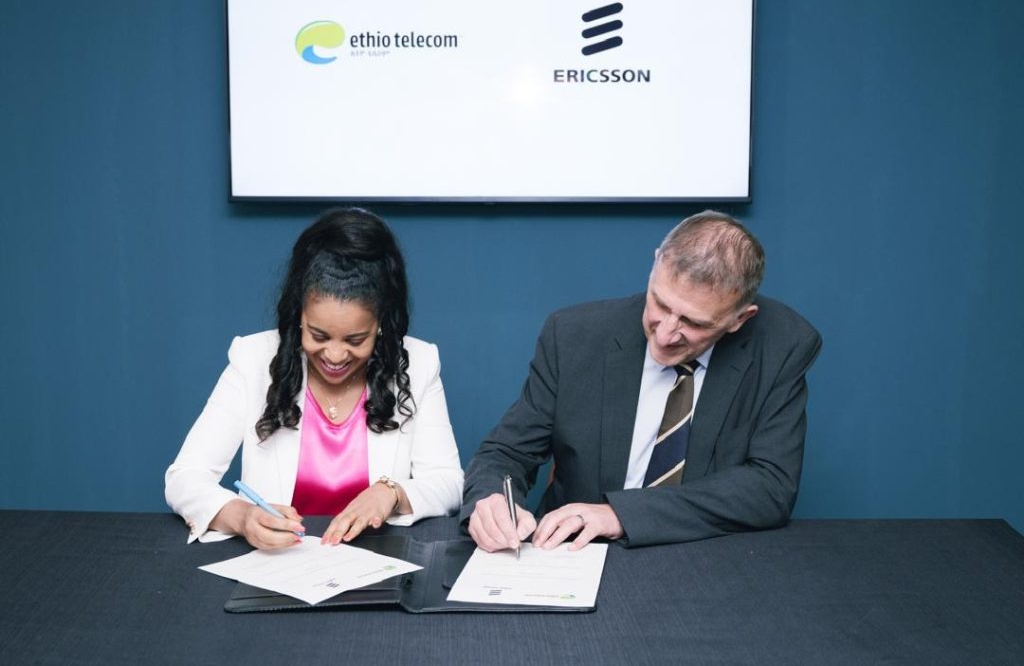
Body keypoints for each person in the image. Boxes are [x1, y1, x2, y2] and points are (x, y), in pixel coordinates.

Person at [462, 210, 821, 551]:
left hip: (704, 557)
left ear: (739, 319)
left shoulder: (783, 346)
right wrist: (491, 500)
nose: (665, 335)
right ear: (655, 265)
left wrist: (620, 514)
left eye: (693, 323)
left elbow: (770, 487)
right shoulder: (573, 335)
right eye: (660, 304)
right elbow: (506, 452)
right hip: (573, 554)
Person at [166, 208, 463, 548]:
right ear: (299, 317)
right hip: (278, 564)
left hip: (378, 565)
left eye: (355, 340)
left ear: (380, 324)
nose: (334, 356)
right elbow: (184, 478)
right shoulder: (252, 359)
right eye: (318, 336)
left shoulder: (418, 364)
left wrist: (391, 493)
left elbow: (449, 482)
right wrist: (242, 517)